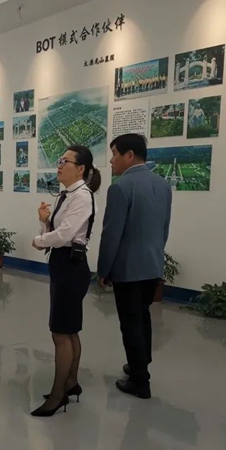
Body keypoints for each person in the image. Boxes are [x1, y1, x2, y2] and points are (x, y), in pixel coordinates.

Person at [98, 134, 172, 400]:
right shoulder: (163, 185)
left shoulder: (120, 187)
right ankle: (140, 363)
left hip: (128, 269)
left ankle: (140, 382)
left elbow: (112, 234)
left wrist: (104, 270)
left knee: (130, 323)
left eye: (114, 154)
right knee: (143, 317)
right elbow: (164, 228)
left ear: (129, 155)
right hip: (153, 265)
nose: (111, 161)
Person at [31, 145, 101, 417]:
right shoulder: (68, 194)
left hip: (71, 267)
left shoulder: (82, 196)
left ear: (80, 168)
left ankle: (58, 394)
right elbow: (58, 231)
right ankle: (70, 383)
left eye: (65, 161)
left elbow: (64, 235)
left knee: (61, 332)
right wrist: (44, 222)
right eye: (59, 160)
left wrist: (38, 240)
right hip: (63, 263)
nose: (59, 165)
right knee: (68, 330)